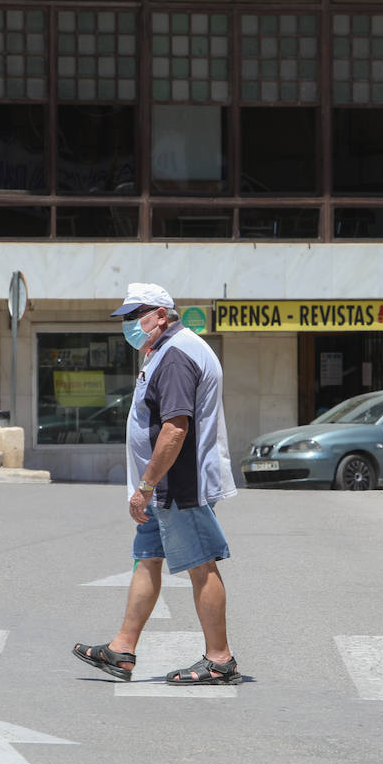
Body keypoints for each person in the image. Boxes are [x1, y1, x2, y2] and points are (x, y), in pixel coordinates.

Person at [73, 282, 241, 686]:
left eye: (135, 316)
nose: (129, 324)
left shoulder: (178, 356)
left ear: (161, 315)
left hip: (179, 484)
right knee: (148, 558)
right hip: (162, 485)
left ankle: (219, 660)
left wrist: (146, 485)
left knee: (201, 565)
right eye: (126, 317)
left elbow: (174, 428)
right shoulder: (165, 350)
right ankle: (123, 649)